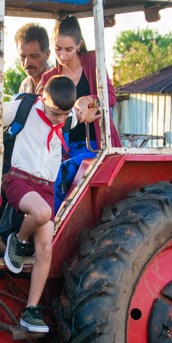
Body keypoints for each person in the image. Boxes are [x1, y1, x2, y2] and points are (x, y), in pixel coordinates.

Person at [0, 70, 100, 333]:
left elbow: (89, 107)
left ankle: (30, 310)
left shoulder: (65, 116)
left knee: (46, 248)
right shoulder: (24, 108)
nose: (59, 120)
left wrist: (89, 101)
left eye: (64, 114)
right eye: (54, 114)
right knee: (42, 213)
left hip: (46, 187)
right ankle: (17, 240)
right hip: (20, 180)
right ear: (43, 98)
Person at [40, 16, 121, 209]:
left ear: (79, 45)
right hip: (63, 149)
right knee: (51, 180)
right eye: (58, 49)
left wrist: (88, 101)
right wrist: (77, 116)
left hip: (96, 146)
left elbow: (110, 97)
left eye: (68, 49)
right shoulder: (49, 78)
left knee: (65, 178)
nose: (63, 55)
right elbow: (46, 118)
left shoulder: (93, 61)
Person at [15, 23, 52, 95]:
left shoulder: (57, 84)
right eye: (22, 57)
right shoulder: (25, 85)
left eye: (34, 56)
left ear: (47, 54)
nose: (27, 63)